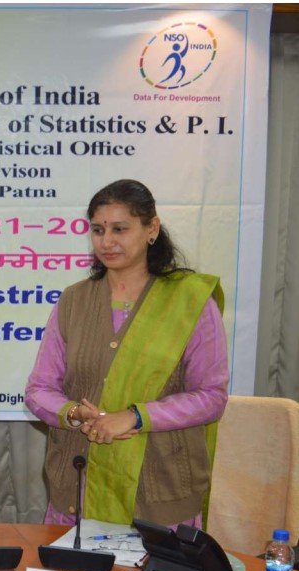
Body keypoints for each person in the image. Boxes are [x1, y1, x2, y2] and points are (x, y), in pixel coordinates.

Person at [24, 179, 229, 527]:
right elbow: (38, 389)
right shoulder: (74, 300)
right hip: (79, 488)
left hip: (158, 492)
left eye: (120, 229)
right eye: (98, 230)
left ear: (152, 229)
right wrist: (74, 413)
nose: (106, 241)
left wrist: (135, 417)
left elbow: (211, 397)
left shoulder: (190, 302)